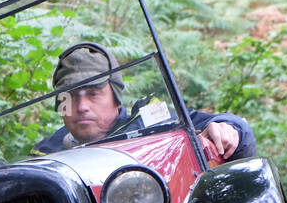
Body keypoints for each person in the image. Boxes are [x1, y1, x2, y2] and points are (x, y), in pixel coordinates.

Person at [34, 42, 257, 160]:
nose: (82, 106)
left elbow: (235, 132)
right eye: (72, 96)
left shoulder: (152, 123)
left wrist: (229, 130)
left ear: (116, 98)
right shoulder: (46, 153)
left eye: (93, 93)